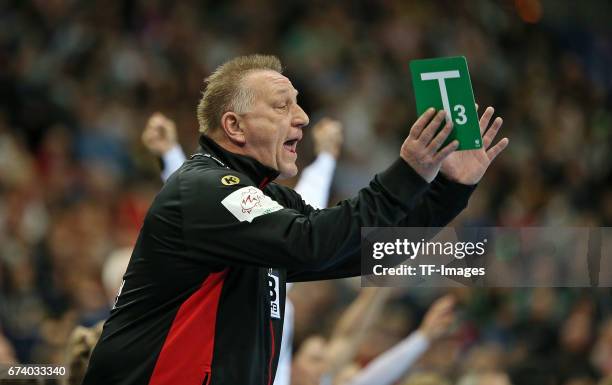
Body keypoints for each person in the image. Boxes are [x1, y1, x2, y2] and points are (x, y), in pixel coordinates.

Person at [82, 54, 507, 385]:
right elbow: (313, 242)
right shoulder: (204, 189)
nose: (302, 118)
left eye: (299, 105)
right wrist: (409, 171)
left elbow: (361, 251)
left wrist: (449, 189)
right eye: (284, 106)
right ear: (234, 126)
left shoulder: (266, 201)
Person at [141, 111, 344, 385]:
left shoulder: (278, 278)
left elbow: (305, 229)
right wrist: (327, 158)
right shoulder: (248, 258)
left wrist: (327, 159)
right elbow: (205, 206)